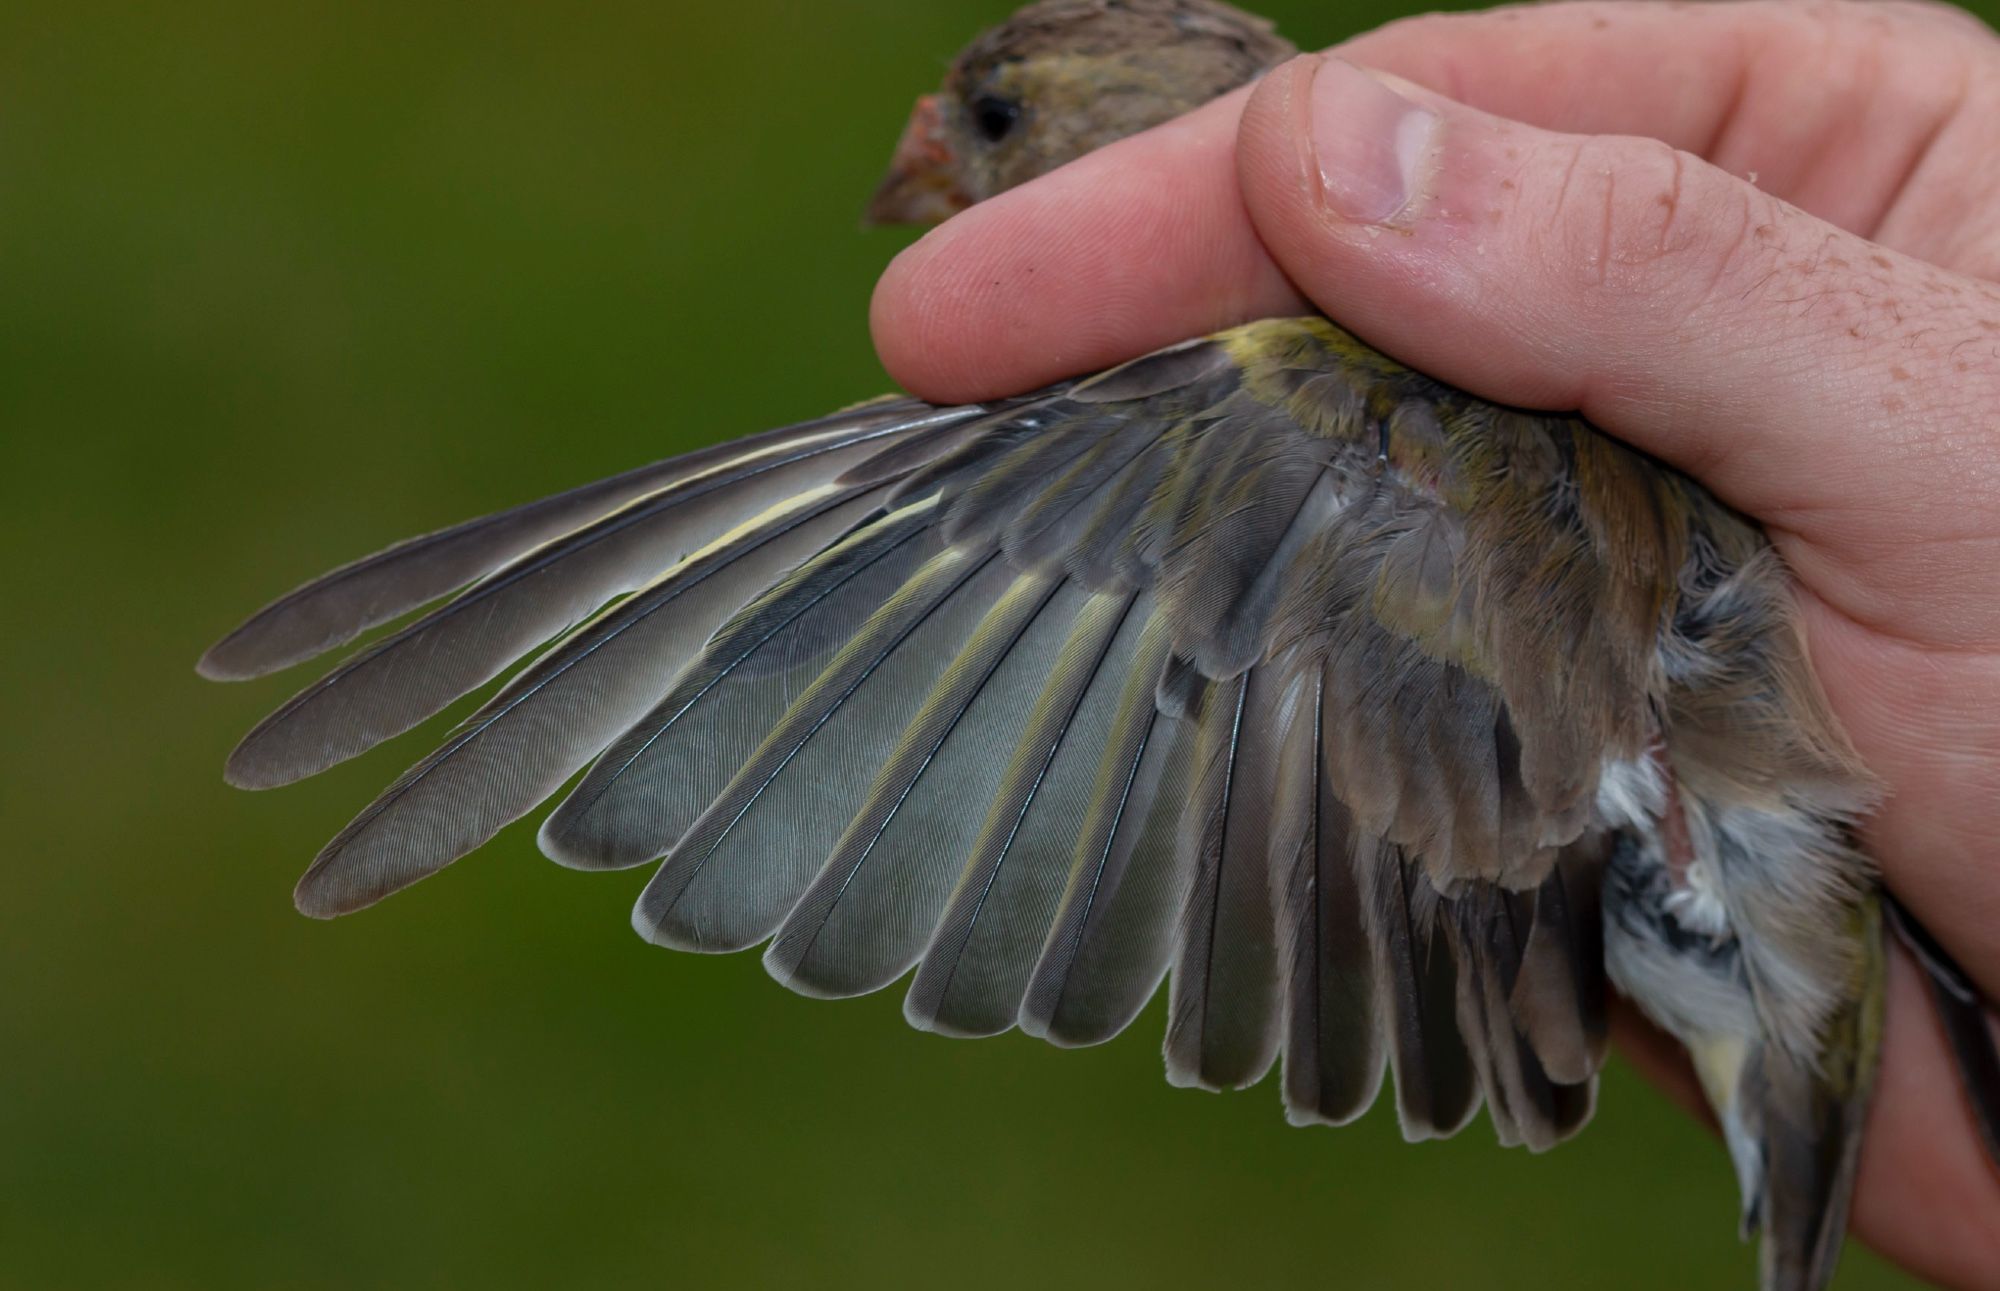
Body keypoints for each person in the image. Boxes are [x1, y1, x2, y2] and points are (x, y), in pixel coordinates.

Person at [869, 1, 2000, 1283]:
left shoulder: (1292, 393)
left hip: (1747, 872)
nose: (925, 142)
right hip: (1759, 873)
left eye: (998, 119)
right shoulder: (1379, 362)